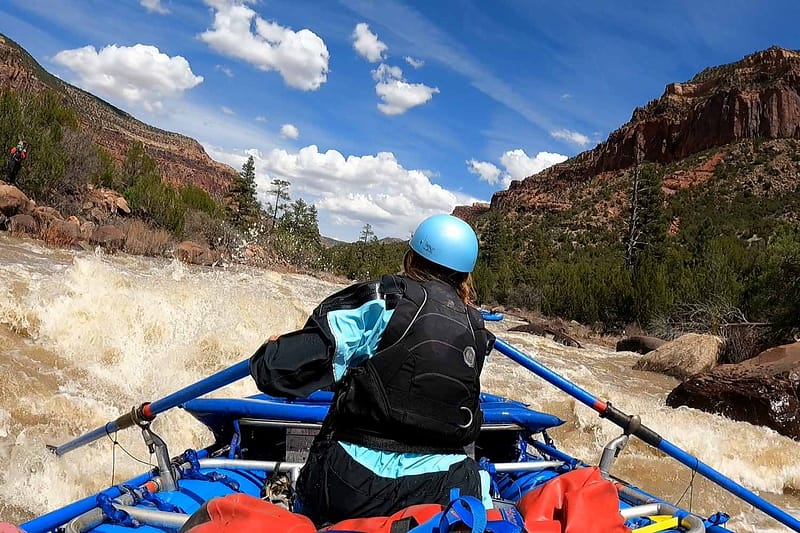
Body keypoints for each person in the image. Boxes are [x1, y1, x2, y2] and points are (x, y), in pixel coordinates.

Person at [249, 214, 495, 526]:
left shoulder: (384, 300)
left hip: (354, 485)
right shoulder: (478, 329)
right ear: (465, 276)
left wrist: (274, 350)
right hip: (447, 491)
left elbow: (275, 372)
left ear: (411, 257)